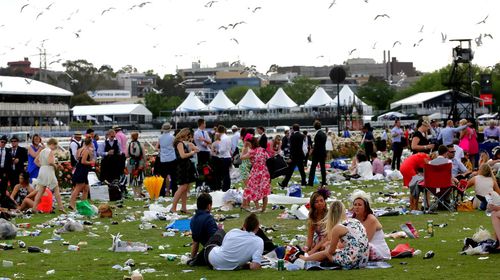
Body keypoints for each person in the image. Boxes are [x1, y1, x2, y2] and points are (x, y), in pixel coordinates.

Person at [299, 201, 369, 270]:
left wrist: (328, 247)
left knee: (327, 251)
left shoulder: (337, 228)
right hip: (364, 260)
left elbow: (330, 252)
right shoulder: (355, 221)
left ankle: (305, 258)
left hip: (352, 263)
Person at [351, 191, 391, 261]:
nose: (357, 207)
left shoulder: (371, 219)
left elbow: (365, 240)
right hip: (363, 247)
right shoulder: (353, 219)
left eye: (359, 205)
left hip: (378, 251)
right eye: (355, 205)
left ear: (365, 207)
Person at [32, 138, 65, 213]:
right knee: (56, 189)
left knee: (41, 191)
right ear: (52, 144)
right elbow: (50, 162)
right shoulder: (49, 151)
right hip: (49, 171)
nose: (55, 148)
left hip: (42, 170)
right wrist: (55, 166)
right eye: (55, 146)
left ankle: (34, 208)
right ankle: (61, 207)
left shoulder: (42, 151)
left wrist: (42, 166)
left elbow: (35, 161)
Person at [171, 128, 199, 213]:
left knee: (185, 188)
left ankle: (183, 207)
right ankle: (173, 208)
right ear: (185, 135)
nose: (189, 138)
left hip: (186, 167)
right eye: (188, 136)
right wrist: (192, 152)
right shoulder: (179, 143)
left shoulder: (181, 143)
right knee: (182, 187)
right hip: (182, 167)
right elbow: (182, 155)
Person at [240, 136, 270, 212]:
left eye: (248, 144)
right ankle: (263, 209)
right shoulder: (262, 150)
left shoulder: (253, 152)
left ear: (251, 143)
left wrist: (244, 148)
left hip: (256, 172)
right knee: (264, 190)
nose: (248, 145)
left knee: (252, 189)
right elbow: (268, 159)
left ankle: (257, 207)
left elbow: (242, 157)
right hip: (265, 171)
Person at [189, 193, 219, 266]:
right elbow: (215, 239)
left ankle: (196, 260)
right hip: (215, 252)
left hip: (207, 251)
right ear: (209, 206)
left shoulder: (193, 220)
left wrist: (192, 257)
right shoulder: (209, 218)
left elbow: (195, 242)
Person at [69, 137, 95, 210]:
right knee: (78, 188)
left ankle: (84, 203)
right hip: (82, 170)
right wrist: (91, 162)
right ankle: (71, 203)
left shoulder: (79, 150)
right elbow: (83, 161)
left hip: (80, 169)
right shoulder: (86, 150)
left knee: (86, 188)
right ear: (90, 143)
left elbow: (77, 158)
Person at [280, 124, 307, 188]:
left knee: (290, 170)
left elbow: (292, 148)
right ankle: (303, 182)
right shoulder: (301, 136)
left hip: (294, 156)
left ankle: (284, 183)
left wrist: (290, 157)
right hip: (300, 155)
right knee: (302, 170)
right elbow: (303, 146)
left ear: (293, 129)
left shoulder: (292, 136)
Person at [157, 123, 178, 197]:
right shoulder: (172, 137)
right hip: (172, 158)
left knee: (163, 177)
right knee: (174, 177)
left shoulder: (160, 137)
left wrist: (163, 150)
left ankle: (162, 193)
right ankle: (174, 192)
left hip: (163, 159)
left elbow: (157, 147)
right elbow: (174, 146)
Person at [308, 121, 327, 186]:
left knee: (313, 168)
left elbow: (316, 145)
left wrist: (312, 151)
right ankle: (324, 181)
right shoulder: (324, 134)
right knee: (323, 168)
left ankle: (310, 182)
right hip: (323, 152)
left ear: (314, 127)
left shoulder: (317, 134)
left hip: (317, 153)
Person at [127, 132, 145, 198]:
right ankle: (139, 193)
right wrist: (144, 163)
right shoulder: (141, 144)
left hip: (131, 161)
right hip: (139, 161)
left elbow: (127, 155)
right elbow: (144, 155)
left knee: (132, 177)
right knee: (139, 177)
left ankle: (135, 194)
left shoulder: (129, 144)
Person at [216, 125, 232, 192]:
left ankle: (225, 188)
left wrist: (217, 151)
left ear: (218, 131)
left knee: (224, 174)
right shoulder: (228, 137)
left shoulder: (223, 138)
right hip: (228, 156)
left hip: (224, 157)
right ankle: (227, 187)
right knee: (227, 174)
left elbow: (222, 150)